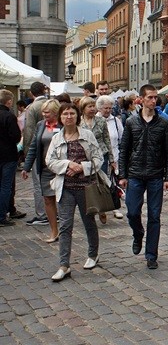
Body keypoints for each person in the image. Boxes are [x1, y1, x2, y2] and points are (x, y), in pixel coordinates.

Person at [45, 102, 105, 281]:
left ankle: (93, 254)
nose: (68, 117)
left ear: (76, 116)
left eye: (71, 113)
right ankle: (64, 265)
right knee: (65, 226)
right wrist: (67, 165)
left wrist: (82, 167)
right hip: (66, 187)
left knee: (89, 222)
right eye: (65, 114)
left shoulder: (87, 135)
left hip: (86, 187)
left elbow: (98, 157)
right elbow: (50, 160)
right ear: (60, 118)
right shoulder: (57, 138)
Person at [118, 84, 168, 270]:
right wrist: (123, 174)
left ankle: (151, 254)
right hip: (135, 174)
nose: (153, 101)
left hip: (156, 175)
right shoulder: (131, 122)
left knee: (154, 216)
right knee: (132, 211)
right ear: (141, 99)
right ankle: (138, 234)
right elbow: (124, 149)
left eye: (155, 97)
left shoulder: (164, 123)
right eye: (150, 97)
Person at [22, 99, 63, 242]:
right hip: (45, 168)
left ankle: (64, 229)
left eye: (48, 112)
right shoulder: (41, 125)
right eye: (43, 112)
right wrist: (26, 167)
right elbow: (34, 146)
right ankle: (54, 231)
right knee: (48, 199)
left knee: (64, 199)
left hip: (61, 168)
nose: (44, 114)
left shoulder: (63, 125)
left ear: (56, 112)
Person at [79, 96, 112, 224]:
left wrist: (112, 159)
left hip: (101, 156)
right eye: (89, 106)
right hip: (85, 157)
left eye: (94, 106)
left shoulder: (101, 121)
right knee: (88, 184)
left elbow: (107, 140)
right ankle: (91, 209)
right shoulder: (78, 123)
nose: (93, 109)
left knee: (100, 182)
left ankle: (101, 209)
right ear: (83, 109)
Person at [22, 81, 49, 226]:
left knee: (38, 184)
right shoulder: (52, 104)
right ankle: (53, 212)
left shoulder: (32, 108)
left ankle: (42, 214)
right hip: (51, 149)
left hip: (38, 150)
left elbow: (29, 131)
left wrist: (27, 154)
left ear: (32, 93)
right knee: (51, 182)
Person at [97, 95, 125, 219]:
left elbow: (122, 137)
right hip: (100, 156)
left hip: (115, 155)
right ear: (99, 108)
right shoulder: (95, 120)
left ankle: (115, 207)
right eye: (105, 108)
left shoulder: (115, 120)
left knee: (113, 182)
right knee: (101, 183)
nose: (108, 110)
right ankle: (101, 207)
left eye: (110, 108)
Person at [0, 90, 21, 226]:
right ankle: (2, 215)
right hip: (8, 155)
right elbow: (16, 137)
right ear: (8, 102)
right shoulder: (9, 116)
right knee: (6, 186)